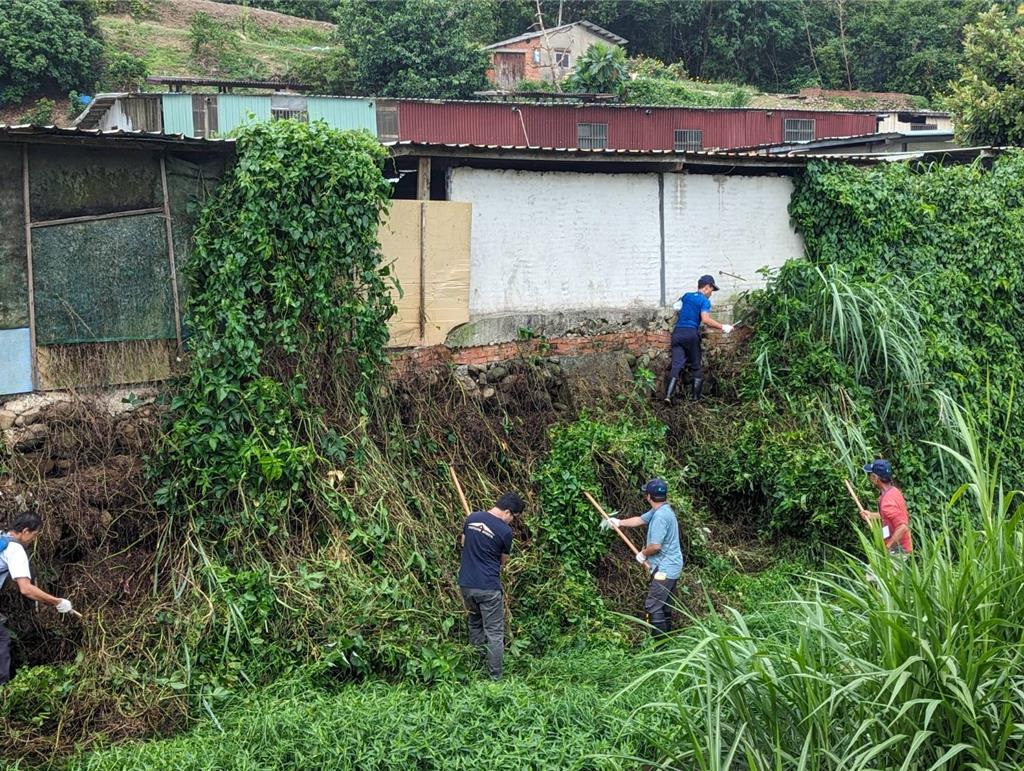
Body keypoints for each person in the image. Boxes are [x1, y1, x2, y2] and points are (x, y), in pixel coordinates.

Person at [600, 479, 684, 636]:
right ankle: (668, 640)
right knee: (664, 605)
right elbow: (640, 519)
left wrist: (642, 554)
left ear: (649, 497)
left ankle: (659, 646)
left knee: (652, 606)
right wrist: (619, 522)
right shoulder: (661, 510)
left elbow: (656, 546)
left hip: (665, 569)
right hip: (671, 566)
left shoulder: (660, 517)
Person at [1, 512, 75, 685]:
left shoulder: (1, 539)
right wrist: (57, 602)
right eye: (34, 535)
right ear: (25, 531)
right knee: (1, 640)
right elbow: (26, 589)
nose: (33, 540)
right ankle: (2, 692)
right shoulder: (15, 549)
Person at [457, 492, 524, 680]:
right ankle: (495, 678)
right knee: (494, 633)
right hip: (488, 587)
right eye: (514, 518)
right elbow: (503, 561)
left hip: (466, 584)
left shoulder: (472, 518)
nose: (512, 522)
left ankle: (475, 667)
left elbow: (464, 542)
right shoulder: (505, 532)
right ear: (508, 512)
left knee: (475, 624)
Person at [666, 274, 734, 402]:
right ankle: (695, 399)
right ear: (707, 287)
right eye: (712, 290)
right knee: (696, 366)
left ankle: (668, 396)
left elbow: (676, 306)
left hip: (677, 333)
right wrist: (723, 327)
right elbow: (705, 320)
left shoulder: (686, 296)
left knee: (676, 365)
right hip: (691, 333)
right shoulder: (704, 301)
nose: (711, 294)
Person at [858, 460, 913, 555]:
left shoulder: (887, 503)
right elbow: (888, 516)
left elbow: (903, 526)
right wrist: (871, 515)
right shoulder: (893, 491)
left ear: (875, 478)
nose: (869, 478)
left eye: (870, 475)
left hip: (898, 550)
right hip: (899, 547)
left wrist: (888, 547)